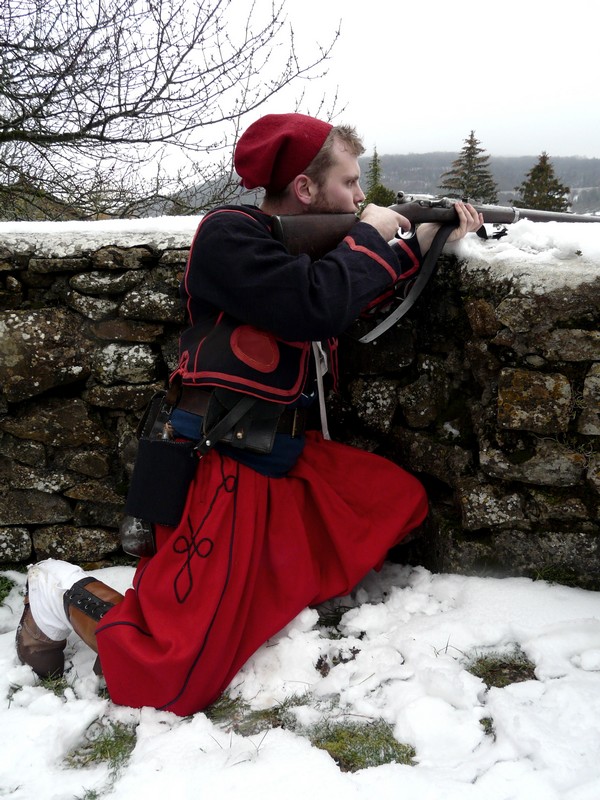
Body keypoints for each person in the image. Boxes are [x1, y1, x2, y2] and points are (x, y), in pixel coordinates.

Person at [15, 113, 483, 715]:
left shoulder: (311, 249)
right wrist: (369, 236)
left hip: (282, 457)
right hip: (226, 460)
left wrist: (416, 245)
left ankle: (246, 599)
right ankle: (57, 589)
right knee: (167, 678)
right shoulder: (228, 235)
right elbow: (314, 303)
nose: (362, 196)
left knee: (394, 500)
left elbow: (344, 303)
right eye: (349, 184)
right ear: (308, 190)